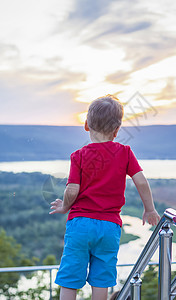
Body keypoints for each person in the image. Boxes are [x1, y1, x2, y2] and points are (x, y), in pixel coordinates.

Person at [49, 95, 160, 300]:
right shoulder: (125, 153)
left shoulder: (79, 155)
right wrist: (150, 209)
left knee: (70, 277)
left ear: (86, 125)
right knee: (101, 279)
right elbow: (142, 181)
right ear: (117, 130)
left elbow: (72, 190)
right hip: (109, 227)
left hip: (80, 225)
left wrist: (65, 206)